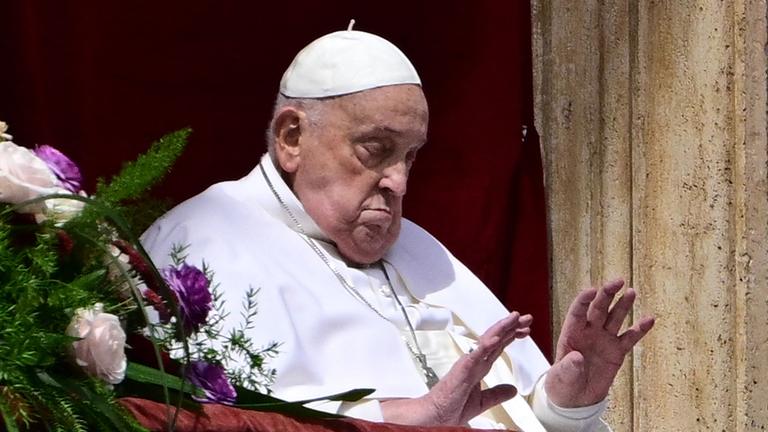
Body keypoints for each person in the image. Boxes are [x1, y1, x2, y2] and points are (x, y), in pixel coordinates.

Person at [142, 26, 654, 431]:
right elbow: (209, 422)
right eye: (375, 149)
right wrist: (405, 421)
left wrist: (567, 406)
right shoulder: (201, 243)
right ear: (292, 137)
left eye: (411, 155)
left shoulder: (418, 248)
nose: (400, 181)